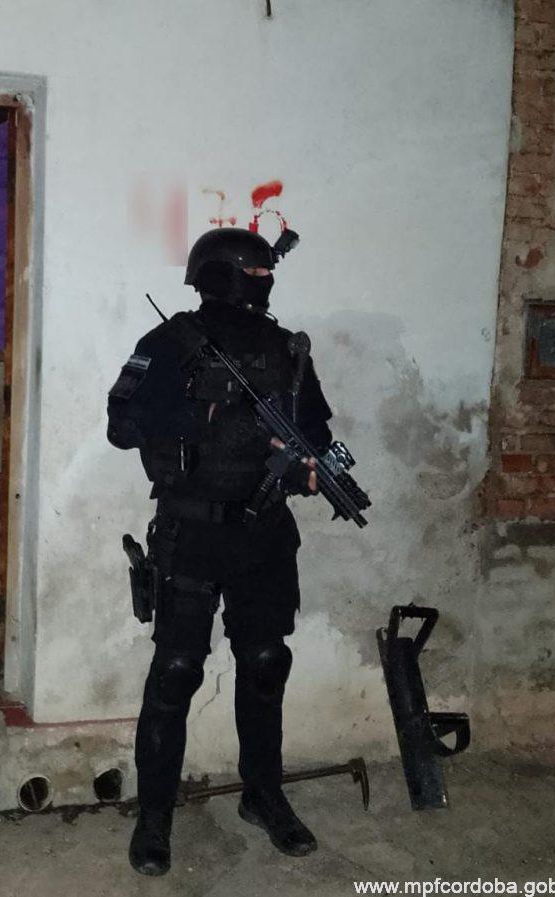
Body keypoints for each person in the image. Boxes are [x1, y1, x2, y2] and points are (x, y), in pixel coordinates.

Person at [107, 227, 334, 877]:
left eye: (267, 274)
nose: (263, 284)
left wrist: (303, 465)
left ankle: (263, 795)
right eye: (254, 274)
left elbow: (315, 432)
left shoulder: (286, 349)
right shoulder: (169, 343)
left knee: (265, 663)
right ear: (222, 275)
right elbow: (121, 424)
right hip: (191, 532)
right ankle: (155, 815)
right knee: (176, 671)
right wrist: (196, 414)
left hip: (263, 533)